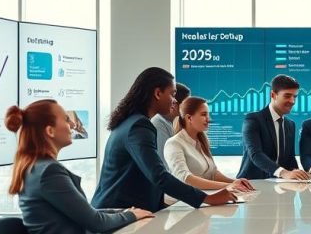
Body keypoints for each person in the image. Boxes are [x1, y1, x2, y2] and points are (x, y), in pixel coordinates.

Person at [4, 99, 153, 234]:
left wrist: (126, 212)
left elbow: (86, 213)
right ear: (50, 131)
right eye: (66, 119)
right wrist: (132, 216)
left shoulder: (36, 168)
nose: (73, 124)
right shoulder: (48, 172)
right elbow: (94, 222)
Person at [92, 67, 236, 212]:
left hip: (123, 210)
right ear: (158, 93)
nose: (175, 101)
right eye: (172, 94)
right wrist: (207, 199)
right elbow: (158, 175)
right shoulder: (139, 126)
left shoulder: (130, 122)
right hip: (116, 214)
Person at [163, 96, 254, 192]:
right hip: (179, 202)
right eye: (203, 114)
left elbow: (213, 173)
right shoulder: (174, 144)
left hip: (203, 197)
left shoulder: (201, 141)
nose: (208, 119)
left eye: (208, 115)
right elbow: (185, 178)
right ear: (189, 118)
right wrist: (227, 185)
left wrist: (235, 182)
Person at [236, 74, 310, 181]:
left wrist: (301, 176)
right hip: (253, 185)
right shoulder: (253, 119)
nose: (292, 101)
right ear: (273, 95)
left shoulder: (290, 125)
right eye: (287, 96)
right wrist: (283, 173)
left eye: (295, 97)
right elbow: (256, 154)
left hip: (281, 187)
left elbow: (290, 159)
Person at [152, 82, 189, 155]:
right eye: (186, 104)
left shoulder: (168, 122)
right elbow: (164, 159)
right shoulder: (159, 124)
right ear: (175, 104)